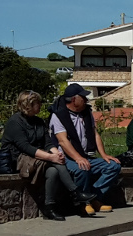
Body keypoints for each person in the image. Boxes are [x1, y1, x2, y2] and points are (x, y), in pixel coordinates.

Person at [2, 90, 96, 221]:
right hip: (19, 159)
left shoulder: (39, 122)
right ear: (29, 104)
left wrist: (56, 153)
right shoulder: (15, 122)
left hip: (36, 157)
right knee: (55, 163)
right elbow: (25, 147)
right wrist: (51, 157)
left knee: (53, 172)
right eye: (38, 103)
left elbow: (47, 142)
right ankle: (75, 192)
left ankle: (49, 207)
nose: (41, 105)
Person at [49, 83, 121, 215]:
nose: (86, 100)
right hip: (67, 157)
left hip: (86, 154)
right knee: (82, 168)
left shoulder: (87, 112)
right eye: (83, 97)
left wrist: (104, 155)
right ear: (73, 99)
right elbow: (63, 141)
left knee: (113, 166)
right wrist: (78, 158)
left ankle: (94, 197)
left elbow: (95, 134)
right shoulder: (58, 116)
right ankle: (82, 204)